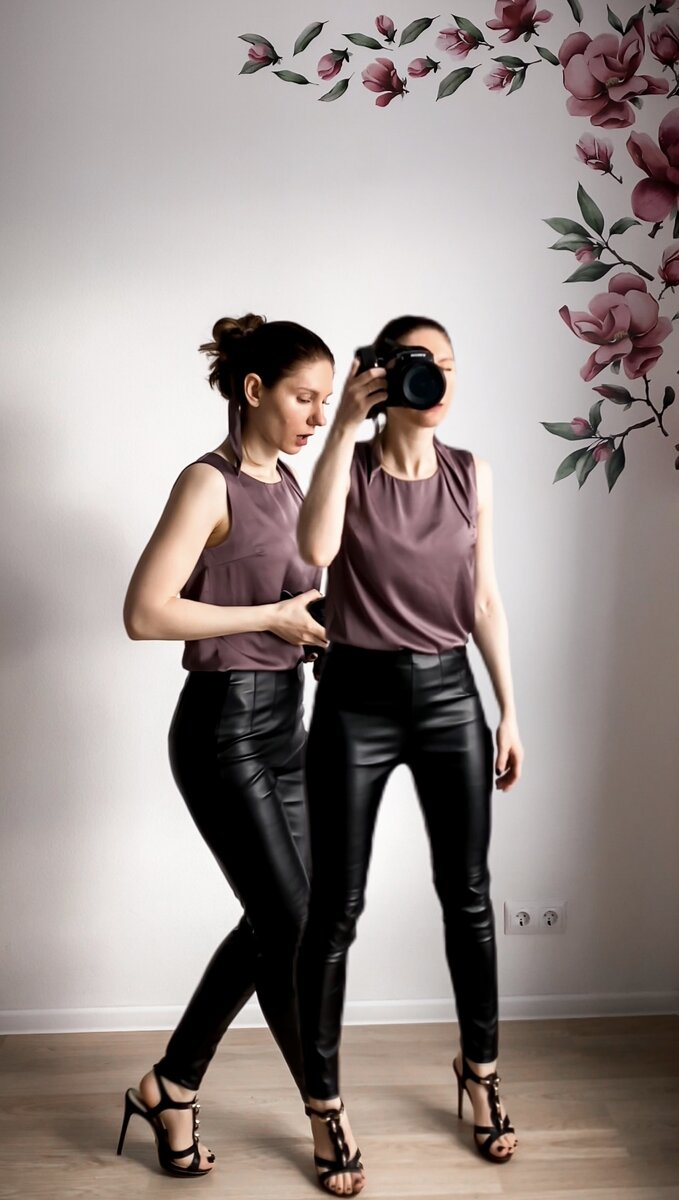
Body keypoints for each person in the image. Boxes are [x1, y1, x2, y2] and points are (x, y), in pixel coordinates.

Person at [295, 315, 524, 1195]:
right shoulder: (348, 467)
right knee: (335, 909)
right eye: (422, 366)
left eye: (449, 366)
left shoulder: (472, 473)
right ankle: (323, 1106)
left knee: (467, 896)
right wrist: (342, 428)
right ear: (383, 376)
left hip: (449, 697)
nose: (439, 382)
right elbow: (315, 553)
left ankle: (481, 1075)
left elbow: (484, 599)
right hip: (353, 700)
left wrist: (508, 710)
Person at [116, 313, 333, 1177]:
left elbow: (293, 601)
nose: (317, 416)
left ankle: (193, 1089)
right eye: (303, 397)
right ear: (253, 390)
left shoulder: (290, 482)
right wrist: (273, 618)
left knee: (291, 923)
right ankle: (200, 1088)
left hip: (287, 721)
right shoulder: (207, 484)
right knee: (289, 920)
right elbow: (145, 613)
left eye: (324, 400)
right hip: (222, 728)